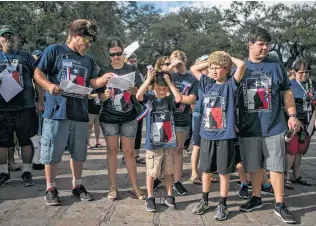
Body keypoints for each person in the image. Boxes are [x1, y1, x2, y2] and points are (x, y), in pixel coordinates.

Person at [34, 19, 111, 206]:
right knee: (51, 154)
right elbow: (38, 73)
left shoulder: (89, 60)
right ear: (76, 36)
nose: (89, 44)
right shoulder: (54, 50)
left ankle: (77, 185)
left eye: (91, 41)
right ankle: (50, 188)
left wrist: (105, 78)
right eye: (86, 40)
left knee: (78, 154)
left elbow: (92, 83)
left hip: (80, 113)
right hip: (56, 112)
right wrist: (49, 85)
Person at [237, 27, 299, 224]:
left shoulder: (275, 65)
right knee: (254, 165)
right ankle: (256, 197)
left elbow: (286, 92)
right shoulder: (240, 68)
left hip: (274, 125)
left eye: (267, 45)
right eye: (260, 44)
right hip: (248, 126)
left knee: (276, 165)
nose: (265, 48)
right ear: (250, 44)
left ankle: (280, 204)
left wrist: (292, 115)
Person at [190, 51, 246, 220]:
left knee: (223, 172)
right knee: (206, 170)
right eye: (211, 68)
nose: (213, 71)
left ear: (226, 68)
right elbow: (193, 68)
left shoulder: (230, 84)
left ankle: (222, 203)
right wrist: (211, 60)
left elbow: (242, 65)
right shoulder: (207, 83)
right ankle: (204, 200)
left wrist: (226, 56)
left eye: (218, 68)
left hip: (225, 136)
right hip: (207, 134)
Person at [97, 38, 145, 200]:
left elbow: (141, 93)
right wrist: (103, 95)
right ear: (109, 55)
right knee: (111, 152)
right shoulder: (104, 70)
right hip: (109, 117)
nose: (116, 57)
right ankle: (113, 187)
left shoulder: (132, 69)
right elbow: (98, 95)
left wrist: (135, 91)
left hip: (129, 116)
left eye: (118, 53)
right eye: (113, 54)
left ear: (123, 53)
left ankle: (135, 187)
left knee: (129, 152)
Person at [0, 25, 43, 187]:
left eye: (11, 35)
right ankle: (4, 172)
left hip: (25, 106)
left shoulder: (26, 56)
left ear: (16, 38)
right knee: (2, 142)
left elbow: (38, 79)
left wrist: (41, 101)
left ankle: (27, 171)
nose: (8, 38)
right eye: (4, 36)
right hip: (2, 108)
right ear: (0, 40)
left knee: (27, 141)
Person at [136, 69, 182, 212]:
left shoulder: (169, 99)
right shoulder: (150, 98)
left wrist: (169, 81)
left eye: (164, 89)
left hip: (168, 141)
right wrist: (148, 80)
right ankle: (150, 197)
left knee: (168, 170)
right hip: (153, 142)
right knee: (152, 171)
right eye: (158, 89)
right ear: (152, 88)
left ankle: (169, 195)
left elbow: (179, 98)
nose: (161, 92)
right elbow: (138, 95)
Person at [166, 50, 198, 196]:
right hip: (165, 117)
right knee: (165, 150)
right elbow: (158, 77)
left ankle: (177, 181)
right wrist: (171, 65)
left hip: (181, 118)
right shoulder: (169, 75)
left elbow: (191, 100)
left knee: (178, 150)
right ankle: (161, 178)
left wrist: (178, 97)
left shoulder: (192, 79)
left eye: (179, 60)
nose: (176, 63)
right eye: (172, 60)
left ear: (185, 60)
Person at [284, 59, 315, 190]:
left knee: (300, 151)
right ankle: (285, 178)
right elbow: (285, 104)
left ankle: (296, 176)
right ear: (294, 72)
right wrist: (294, 119)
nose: (304, 75)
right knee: (291, 150)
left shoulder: (312, 85)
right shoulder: (290, 85)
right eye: (301, 72)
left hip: (308, 122)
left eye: (306, 72)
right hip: (295, 122)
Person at [189, 55, 218, 185]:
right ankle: (194, 172)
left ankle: (207, 172)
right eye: (206, 66)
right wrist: (207, 63)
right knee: (197, 145)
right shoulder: (197, 79)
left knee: (209, 146)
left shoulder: (213, 80)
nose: (209, 68)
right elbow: (193, 69)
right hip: (199, 114)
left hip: (212, 114)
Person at [122, 53, 146, 164]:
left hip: (137, 105)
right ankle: (125, 155)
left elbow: (143, 87)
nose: (133, 63)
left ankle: (136, 154)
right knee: (125, 131)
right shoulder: (121, 72)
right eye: (130, 61)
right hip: (124, 104)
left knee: (138, 130)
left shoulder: (138, 73)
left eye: (134, 61)